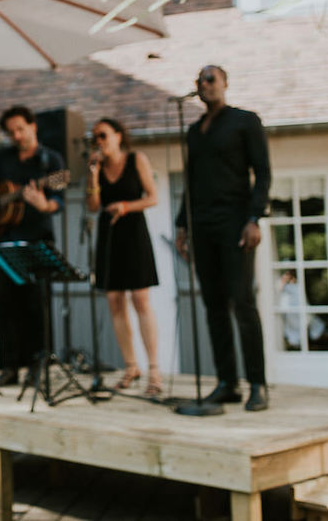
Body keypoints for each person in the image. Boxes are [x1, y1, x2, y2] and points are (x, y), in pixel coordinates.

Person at [175, 65, 272, 412]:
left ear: (225, 84)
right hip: (202, 223)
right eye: (200, 80)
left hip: (235, 221)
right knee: (213, 304)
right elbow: (192, 180)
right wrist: (181, 226)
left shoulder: (245, 120)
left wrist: (254, 217)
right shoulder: (193, 131)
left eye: (211, 78)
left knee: (242, 301)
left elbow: (262, 172)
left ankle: (257, 384)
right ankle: (227, 382)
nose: (205, 84)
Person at [0, 105, 65, 387]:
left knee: (36, 306)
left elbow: (59, 202)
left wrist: (43, 204)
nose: (16, 135)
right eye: (11, 132)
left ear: (33, 126)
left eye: (20, 129)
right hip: (2, 243)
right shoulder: (2, 159)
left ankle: (37, 365)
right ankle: (9, 367)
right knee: (3, 305)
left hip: (36, 242)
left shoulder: (50, 161)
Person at [85, 117, 162, 396]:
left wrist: (126, 206)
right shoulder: (97, 167)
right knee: (115, 300)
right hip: (109, 235)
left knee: (140, 298)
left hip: (133, 231)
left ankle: (154, 369)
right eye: (95, 137)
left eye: (103, 135)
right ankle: (131, 366)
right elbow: (93, 205)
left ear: (118, 136)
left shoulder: (136, 159)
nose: (99, 141)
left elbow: (153, 197)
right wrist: (93, 177)